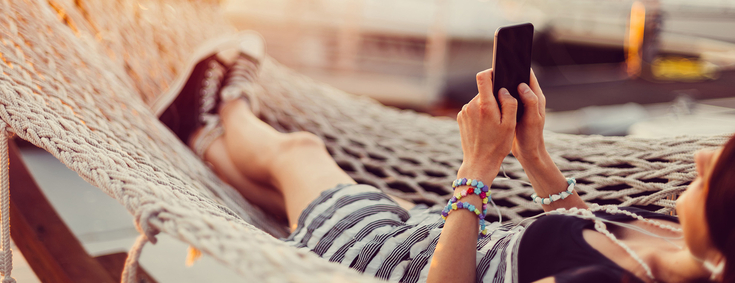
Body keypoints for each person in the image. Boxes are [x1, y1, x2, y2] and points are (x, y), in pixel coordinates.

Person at [156, 35, 732, 283]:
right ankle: (198, 133)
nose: (703, 158)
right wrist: (532, 155)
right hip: (431, 230)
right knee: (279, 198)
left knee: (298, 152)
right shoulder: (666, 236)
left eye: (719, 176)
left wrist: (477, 169)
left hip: (388, 262)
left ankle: (223, 93)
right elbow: (583, 229)